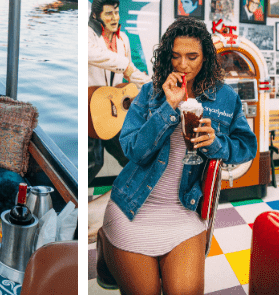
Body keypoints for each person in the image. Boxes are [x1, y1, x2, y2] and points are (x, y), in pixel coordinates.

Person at [96, 17, 256, 294]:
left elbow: (246, 146)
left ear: (206, 56)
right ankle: (106, 238)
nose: (183, 65)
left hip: (184, 209)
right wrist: (168, 108)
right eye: (176, 56)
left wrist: (216, 144)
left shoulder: (225, 98)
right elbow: (132, 150)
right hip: (132, 204)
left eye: (192, 56)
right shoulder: (150, 92)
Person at [88, 0, 151, 241]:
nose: (114, 18)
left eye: (116, 12)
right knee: (93, 163)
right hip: (91, 107)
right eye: (108, 13)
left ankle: (126, 210)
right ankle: (76, 213)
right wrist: (126, 66)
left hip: (114, 111)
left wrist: (151, 84)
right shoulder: (87, 35)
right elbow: (94, 55)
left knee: (132, 157)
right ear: (96, 16)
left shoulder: (123, 38)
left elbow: (130, 71)